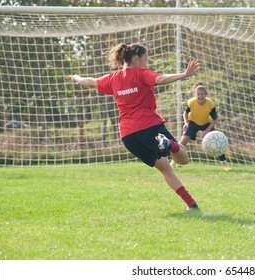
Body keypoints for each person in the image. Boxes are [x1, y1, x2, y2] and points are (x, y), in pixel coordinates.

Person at [68, 43, 200, 210]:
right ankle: (169, 144)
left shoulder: (113, 78)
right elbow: (160, 79)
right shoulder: (141, 73)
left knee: (165, 167)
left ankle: (191, 204)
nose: (146, 64)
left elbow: (91, 82)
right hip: (148, 126)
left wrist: (77, 78)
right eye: (145, 60)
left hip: (128, 136)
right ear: (137, 59)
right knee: (183, 158)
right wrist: (184, 74)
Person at [171, 82, 230, 170]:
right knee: (183, 141)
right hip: (193, 122)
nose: (200, 96)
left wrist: (206, 131)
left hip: (207, 124)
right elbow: (185, 113)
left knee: (217, 142)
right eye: (198, 94)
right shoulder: (191, 102)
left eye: (202, 94)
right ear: (195, 94)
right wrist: (186, 123)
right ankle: (173, 162)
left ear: (206, 94)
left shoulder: (210, 104)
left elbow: (215, 119)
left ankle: (224, 164)